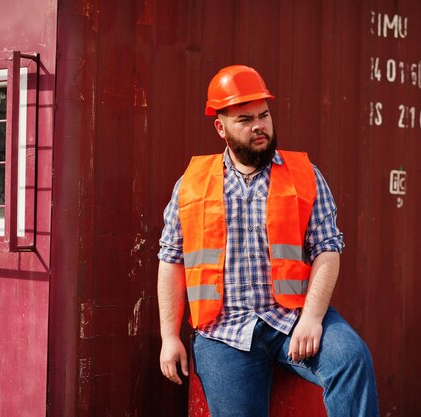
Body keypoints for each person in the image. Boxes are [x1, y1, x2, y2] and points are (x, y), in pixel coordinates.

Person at [157, 65, 379, 417]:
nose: (259, 125)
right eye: (245, 119)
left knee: (351, 358)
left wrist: (311, 318)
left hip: (290, 319)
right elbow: (171, 259)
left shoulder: (304, 176)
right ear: (221, 127)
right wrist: (169, 337)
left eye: (263, 115)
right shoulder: (192, 184)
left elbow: (328, 249)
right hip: (222, 332)